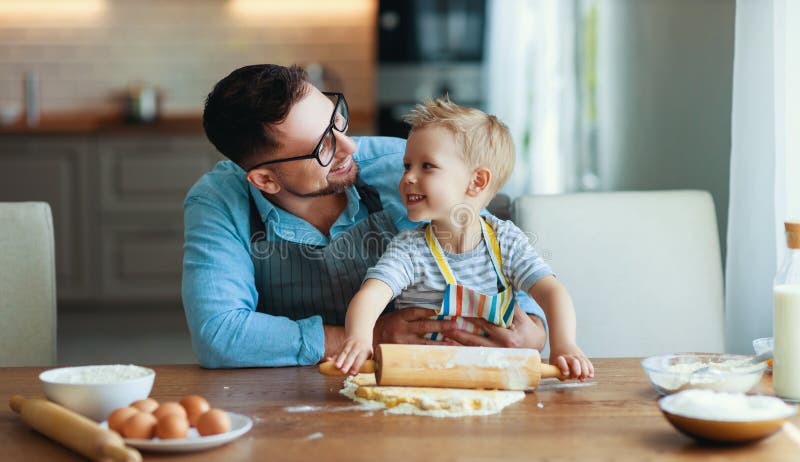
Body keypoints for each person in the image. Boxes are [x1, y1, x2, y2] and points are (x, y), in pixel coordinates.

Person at [183, 64, 548, 368]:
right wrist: (368, 335)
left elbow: (494, 258)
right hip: (294, 392)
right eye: (323, 146)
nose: (349, 146)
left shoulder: (403, 168)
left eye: (337, 120)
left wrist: (533, 328)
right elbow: (219, 334)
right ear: (264, 179)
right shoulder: (219, 200)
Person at [332, 98, 594, 380]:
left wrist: (564, 344)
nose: (408, 178)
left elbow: (552, 293)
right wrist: (359, 338)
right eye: (407, 166)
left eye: (427, 166)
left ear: (477, 181)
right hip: (423, 381)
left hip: (495, 380)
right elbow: (371, 295)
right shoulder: (409, 248)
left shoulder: (505, 241)